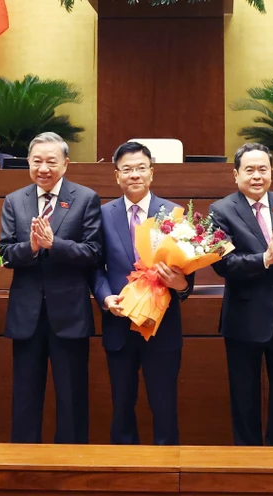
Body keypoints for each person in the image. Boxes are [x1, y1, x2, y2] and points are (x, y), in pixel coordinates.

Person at [0, 132, 103, 443]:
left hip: (69, 314)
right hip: (26, 315)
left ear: (66, 164)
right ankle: (23, 468)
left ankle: (71, 467)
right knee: (25, 398)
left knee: (72, 399)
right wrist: (30, 247)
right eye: (37, 161)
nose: (43, 168)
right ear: (28, 163)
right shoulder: (15, 200)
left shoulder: (85, 198)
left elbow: (94, 253)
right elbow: (4, 253)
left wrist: (55, 244)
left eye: (51, 162)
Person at [210, 143, 273, 446]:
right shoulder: (222, 210)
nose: (257, 176)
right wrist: (263, 259)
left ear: (271, 172)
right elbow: (222, 263)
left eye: (263, 169)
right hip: (244, 319)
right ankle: (248, 462)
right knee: (244, 398)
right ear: (236, 174)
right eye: (250, 170)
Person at [93, 141, 193, 445]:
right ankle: (123, 472)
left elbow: (189, 268)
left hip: (162, 326)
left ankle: (167, 472)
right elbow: (95, 266)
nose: (134, 174)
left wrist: (181, 285)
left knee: (164, 405)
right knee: (121, 406)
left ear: (152, 173)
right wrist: (104, 297)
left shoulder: (173, 213)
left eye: (140, 168)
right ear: (116, 176)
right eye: (127, 169)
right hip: (119, 321)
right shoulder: (102, 214)